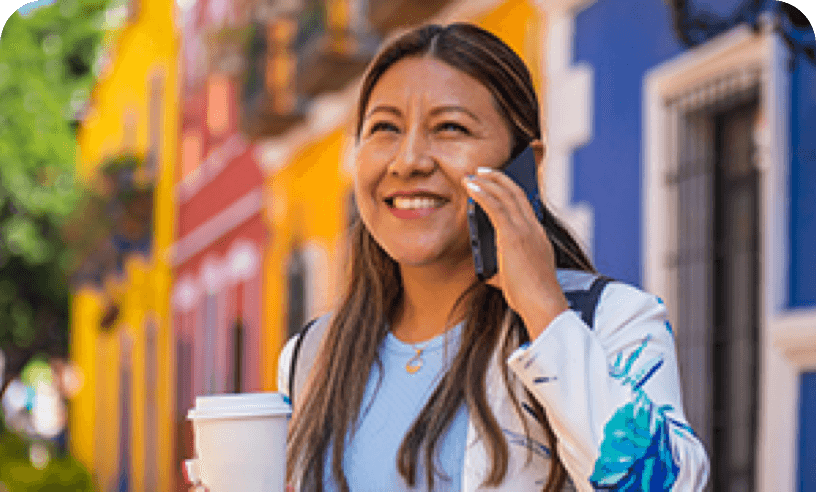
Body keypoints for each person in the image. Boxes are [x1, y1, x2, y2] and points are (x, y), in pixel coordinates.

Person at [277, 23, 709, 491]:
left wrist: (544, 311)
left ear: (525, 166)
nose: (409, 161)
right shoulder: (311, 357)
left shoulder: (609, 323)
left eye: (450, 128)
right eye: (384, 128)